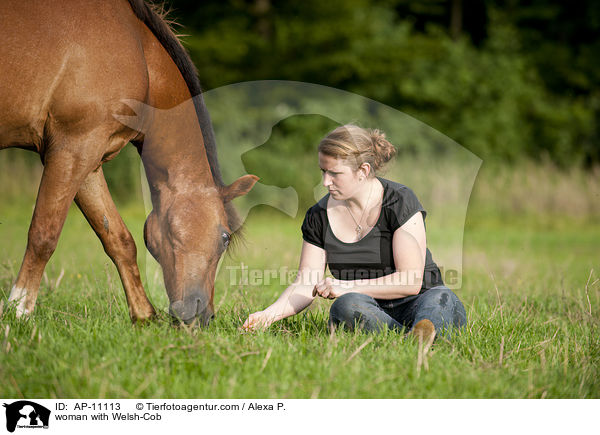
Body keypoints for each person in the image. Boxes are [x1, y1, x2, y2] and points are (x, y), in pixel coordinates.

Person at [242, 124, 466, 340]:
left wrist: (346, 285)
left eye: (334, 173)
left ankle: (421, 331)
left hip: (421, 302)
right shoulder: (317, 216)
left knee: (440, 298)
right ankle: (411, 339)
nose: (325, 181)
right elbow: (305, 282)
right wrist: (267, 315)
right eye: (323, 171)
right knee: (345, 305)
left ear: (363, 171)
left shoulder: (399, 201)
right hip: (370, 309)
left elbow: (410, 281)